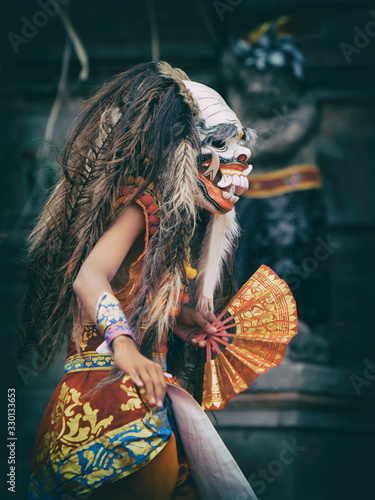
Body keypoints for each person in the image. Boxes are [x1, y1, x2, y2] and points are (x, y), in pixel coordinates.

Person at [19, 61, 258, 500]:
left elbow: (129, 294)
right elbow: (89, 277)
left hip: (147, 398)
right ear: (195, 155)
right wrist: (125, 345)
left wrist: (175, 316)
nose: (240, 180)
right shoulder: (142, 203)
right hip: (106, 401)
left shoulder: (175, 224)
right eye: (230, 160)